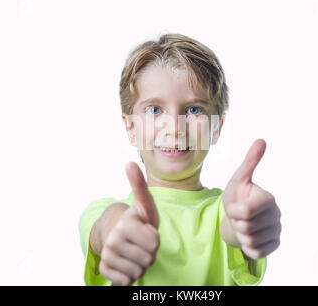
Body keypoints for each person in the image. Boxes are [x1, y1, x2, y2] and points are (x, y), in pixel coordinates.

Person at [78, 33, 282, 286]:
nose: (175, 127)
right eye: (154, 110)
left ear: (216, 127)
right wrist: (116, 228)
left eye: (193, 110)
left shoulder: (225, 210)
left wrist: (249, 219)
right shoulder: (101, 212)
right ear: (130, 127)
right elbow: (104, 228)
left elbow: (234, 227)